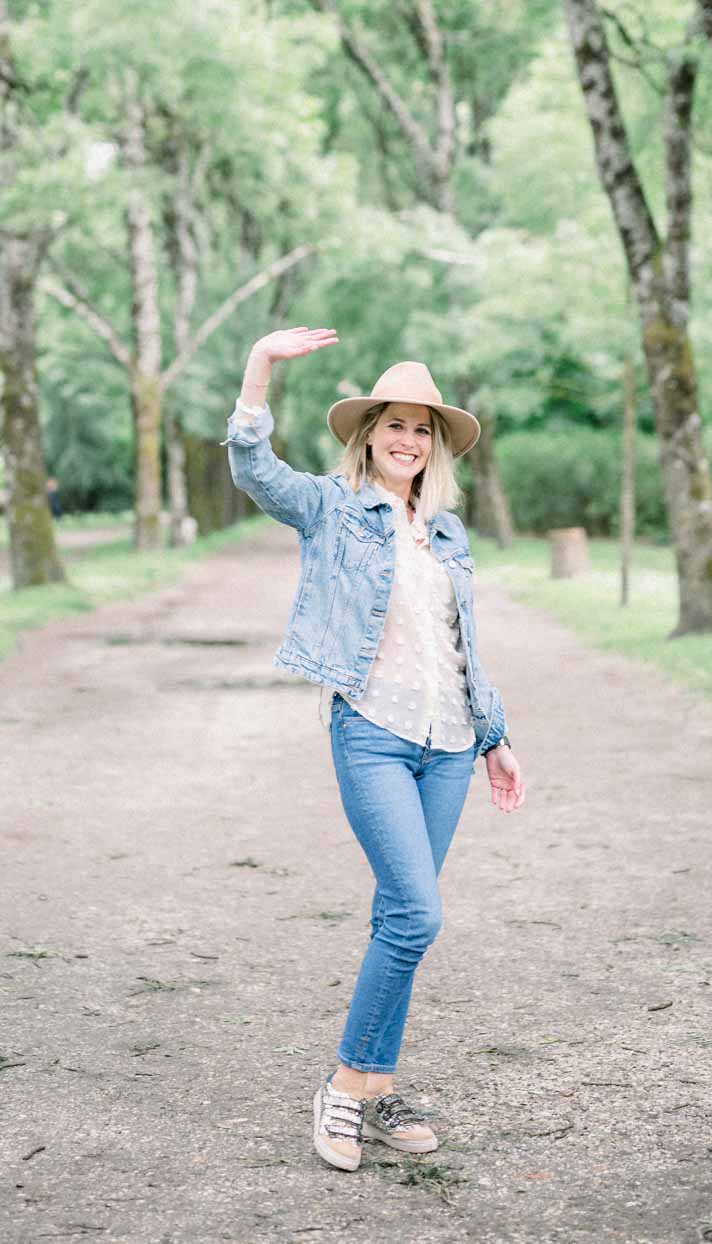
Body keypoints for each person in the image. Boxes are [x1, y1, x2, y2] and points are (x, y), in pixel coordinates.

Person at [223, 326, 526, 1174]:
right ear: (368, 436)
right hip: (375, 734)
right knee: (419, 914)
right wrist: (260, 366)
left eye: (422, 428)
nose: (407, 439)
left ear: (437, 446)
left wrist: (496, 737)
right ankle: (347, 1088)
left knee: (400, 919)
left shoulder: (449, 532)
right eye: (393, 424)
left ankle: (376, 1084)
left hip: (453, 745)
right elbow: (254, 470)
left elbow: (461, 644)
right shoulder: (330, 506)